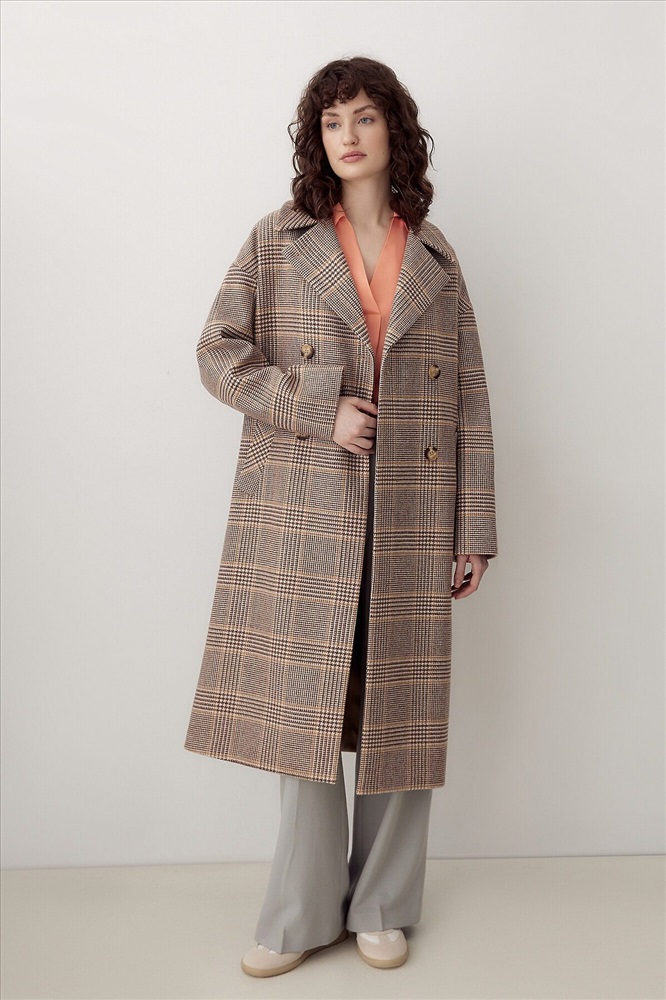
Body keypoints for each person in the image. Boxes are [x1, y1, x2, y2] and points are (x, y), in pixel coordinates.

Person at [184, 56, 498, 977]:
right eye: (331, 121)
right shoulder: (278, 240)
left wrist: (474, 527)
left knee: (402, 709)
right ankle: (301, 911)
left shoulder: (435, 253)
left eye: (364, 116)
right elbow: (217, 352)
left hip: (413, 509)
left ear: (394, 129)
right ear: (315, 139)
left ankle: (384, 905)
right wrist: (316, 409)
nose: (348, 135)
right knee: (305, 711)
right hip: (302, 506)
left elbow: (470, 398)